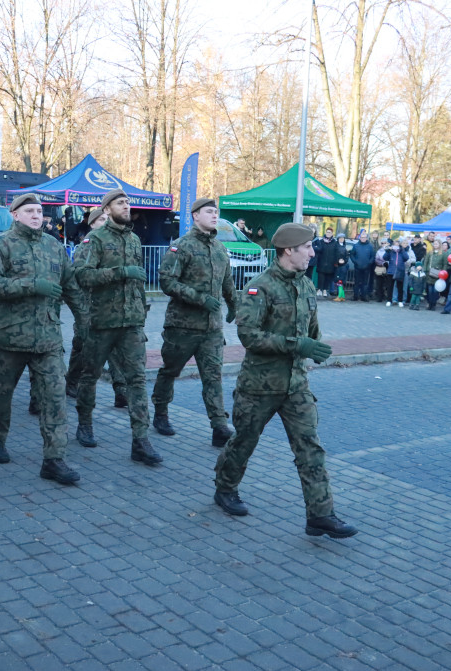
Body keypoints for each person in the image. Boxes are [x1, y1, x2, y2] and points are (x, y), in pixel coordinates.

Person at [212, 223, 356, 538]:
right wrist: (296, 345)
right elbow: (249, 335)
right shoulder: (259, 286)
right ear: (289, 250)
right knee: (244, 442)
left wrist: (315, 347)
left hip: (296, 386)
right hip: (259, 386)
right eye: (307, 247)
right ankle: (225, 488)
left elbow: (311, 328)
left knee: (310, 448)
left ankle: (320, 514)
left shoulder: (305, 286)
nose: (312, 252)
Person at [0, 193, 84, 485]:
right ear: (15, 214)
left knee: (54, 399)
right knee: (1, 395)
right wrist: (29, 285)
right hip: (8, 337)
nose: (36, 216)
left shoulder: (53, 246)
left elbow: (71, 286)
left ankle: (54, 459)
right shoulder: (1, 245)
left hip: (47, 338)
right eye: (29, 211)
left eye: (39, 211)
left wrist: (85, 320)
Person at [74, 189, 159, 465]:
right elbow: (82, 275)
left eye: (127, 202)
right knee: (90, 375)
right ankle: (85, 423)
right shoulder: (95, 239)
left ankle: (141, 440)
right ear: (107, 209)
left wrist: (142, 313)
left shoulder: (134, 240)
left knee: (137, 379)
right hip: (101, 321)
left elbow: (137, 282)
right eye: (120, 203)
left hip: (131, 322)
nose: (126, 206)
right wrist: (120, 273)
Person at [151, 198, 237, 447]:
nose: (214, 216)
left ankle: (219, 426)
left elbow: (227, 280)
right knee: (170, 371)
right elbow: (167, 282)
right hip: (182, 326)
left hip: (211, 328)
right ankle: (161, 413)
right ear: (195, 216)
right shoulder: (182, 246)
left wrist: (234, 305)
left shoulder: (220, 248)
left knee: (213, 376)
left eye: (216, 212)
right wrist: (199, 299)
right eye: (209, 212)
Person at [65, 209, 128, 405]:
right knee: (82, 349)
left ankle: (121, 391)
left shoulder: (117, 241)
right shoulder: (89, 242)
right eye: (101, 219)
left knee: (116, 352)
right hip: (90, 307)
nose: (106, 222)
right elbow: (81, 276)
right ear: (92, 224)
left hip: (114, 307)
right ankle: (72, 382)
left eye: (107, 218)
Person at [349, 230, 374, 302]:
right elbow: (352, 255)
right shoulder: (356, 245)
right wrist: (355, 262)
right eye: (362, 237)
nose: (363, 238)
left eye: (364, 237)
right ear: (360, 238)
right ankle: (355, 296)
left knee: (365, 283)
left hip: (367, 267)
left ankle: (364, 296)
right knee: (356, 282)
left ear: (366, 238)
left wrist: (369, 263)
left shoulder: (370, 246)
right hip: (357, 267)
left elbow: (372, 256)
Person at [314, 228, 338, 297]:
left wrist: (335, 262)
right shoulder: (321, 241)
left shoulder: (334, 243)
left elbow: (336, 253)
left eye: (330, 232)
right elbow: (318, 250)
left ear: (332, 233)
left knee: (328, 278)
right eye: (327, 232)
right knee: (320, 277)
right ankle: (319, 289)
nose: (328, 233)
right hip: (321, 262)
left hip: (330, 263)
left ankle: (325, 290)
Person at [425, 240, 448, 311]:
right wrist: (425, 271)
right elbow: (426, 262)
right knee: (429, 290)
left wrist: (443, 273)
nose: (435, 245)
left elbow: (445, 264)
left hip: (438, 275)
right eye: (434, 243)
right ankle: (430, 303)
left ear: (439, 245)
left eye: (436, 243)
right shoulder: (430, 253)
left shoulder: (443, 254)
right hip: (429, 274)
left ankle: (433, 304)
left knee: (435, 291)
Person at [385, 241, 408, 307]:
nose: (396, 246)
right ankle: (389, 300)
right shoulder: (391, 252)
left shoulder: (402, 252)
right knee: (390, 287)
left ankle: (400, 301)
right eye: (395, 245)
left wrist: (402, 250)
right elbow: (385, 257)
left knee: (400, 287)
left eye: (397, 245)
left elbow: (406, 258)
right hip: (391, 271)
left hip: (400, 271)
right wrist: (388, 251)